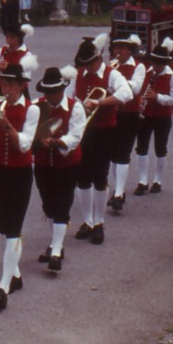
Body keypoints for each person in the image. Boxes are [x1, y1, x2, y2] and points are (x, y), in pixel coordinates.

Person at [0, 64, 38, 309]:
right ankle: (14, 274)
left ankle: (3, 286)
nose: (7, 89)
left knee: (14, 227)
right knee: (3, 226)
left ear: (22, 85)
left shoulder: (31, 110)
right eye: (4, 84)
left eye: (11, 84)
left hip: (20, 172)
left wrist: (6, 124)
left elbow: (24, 144)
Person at [67, 34, 132, 245]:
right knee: (83, 178)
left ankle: (99, 222)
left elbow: (126, 94)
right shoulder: (79, 74)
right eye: (83, 64)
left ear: (98, 59)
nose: (87, 68)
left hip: (104, 130)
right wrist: (78, 106)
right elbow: (69, 98)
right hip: (84, 131)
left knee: (100, 178)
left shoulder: (112, 74)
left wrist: (101, 101)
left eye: (90, 63)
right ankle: (87, 221)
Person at [32, 67, 87, 273]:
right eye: (47, 92)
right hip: (43, 163)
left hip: (67, 164)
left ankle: (56, 251)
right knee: (49, 206)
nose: (50, 96)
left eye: (54, 92)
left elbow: (75, 136)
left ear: (62, 90)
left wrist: (56, 142)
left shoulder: (75, 107)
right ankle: (56, 244)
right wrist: (38, 141)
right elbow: (28, 131)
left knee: (63, 205)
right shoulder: (36, 106)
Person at [134, 40, 173, 195]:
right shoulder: (148, 72)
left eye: (158, 64)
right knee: (141, 147)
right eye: (153, 63)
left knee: (160, 148)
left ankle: (157, 181)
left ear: (163, 63)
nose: (154, 67)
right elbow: (140, 90)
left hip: (163, 117)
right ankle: (142, 181)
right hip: (146, 115)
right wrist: (141, 99)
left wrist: (157, 97)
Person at [108, 35, 145, 212]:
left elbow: (135, 88)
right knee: (114, 155)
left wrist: (116, 82)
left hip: (129, 114)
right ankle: (118, 190)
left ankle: (118, 193)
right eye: (116, 48)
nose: (118, 52)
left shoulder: (139, 67)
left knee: (123, 154)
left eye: (122, 48)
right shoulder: (110, 66)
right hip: (111, 114)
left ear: (130, 51)